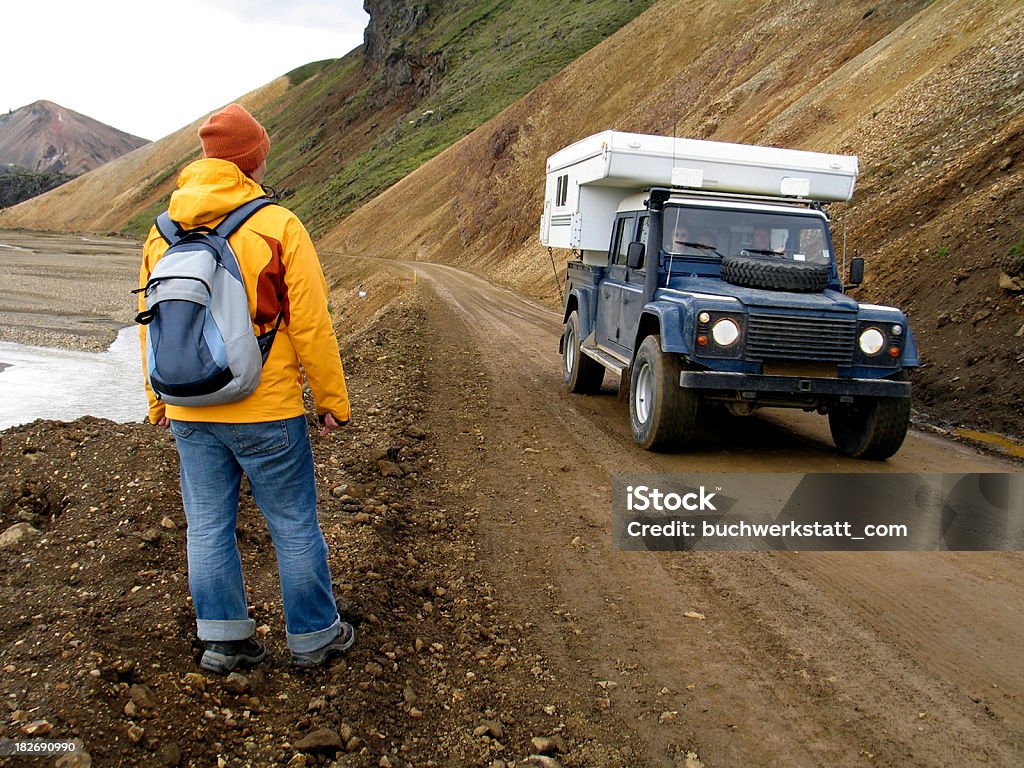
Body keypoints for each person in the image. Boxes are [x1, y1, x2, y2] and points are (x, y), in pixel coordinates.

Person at [138, 103, 355, 673]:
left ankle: (224, 642)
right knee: (292, 525)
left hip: (189, 406)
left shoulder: (161, 233)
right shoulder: (278, 224)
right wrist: (331, 399)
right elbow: (311, 323)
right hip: (266, 406)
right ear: (253, 159)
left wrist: (158, 398)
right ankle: (314, 635)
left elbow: (152, 325)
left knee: (207, 525)